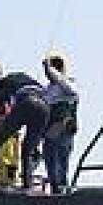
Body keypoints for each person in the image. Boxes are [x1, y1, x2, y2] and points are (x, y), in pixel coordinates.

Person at [0, 68, 49, 191]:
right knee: (28, 149)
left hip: (26, 103)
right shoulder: (28, 79)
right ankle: (27, 184)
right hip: (44, 108)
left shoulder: (6, 82)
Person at [41, 53, 78, 194]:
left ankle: (61, 187)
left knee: (61, 158)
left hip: (62, 124)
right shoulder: (47, 89)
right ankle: (56, 187)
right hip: (50, 126)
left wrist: (50, 69)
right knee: (50, 157)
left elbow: (70, 89)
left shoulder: (68, 82)